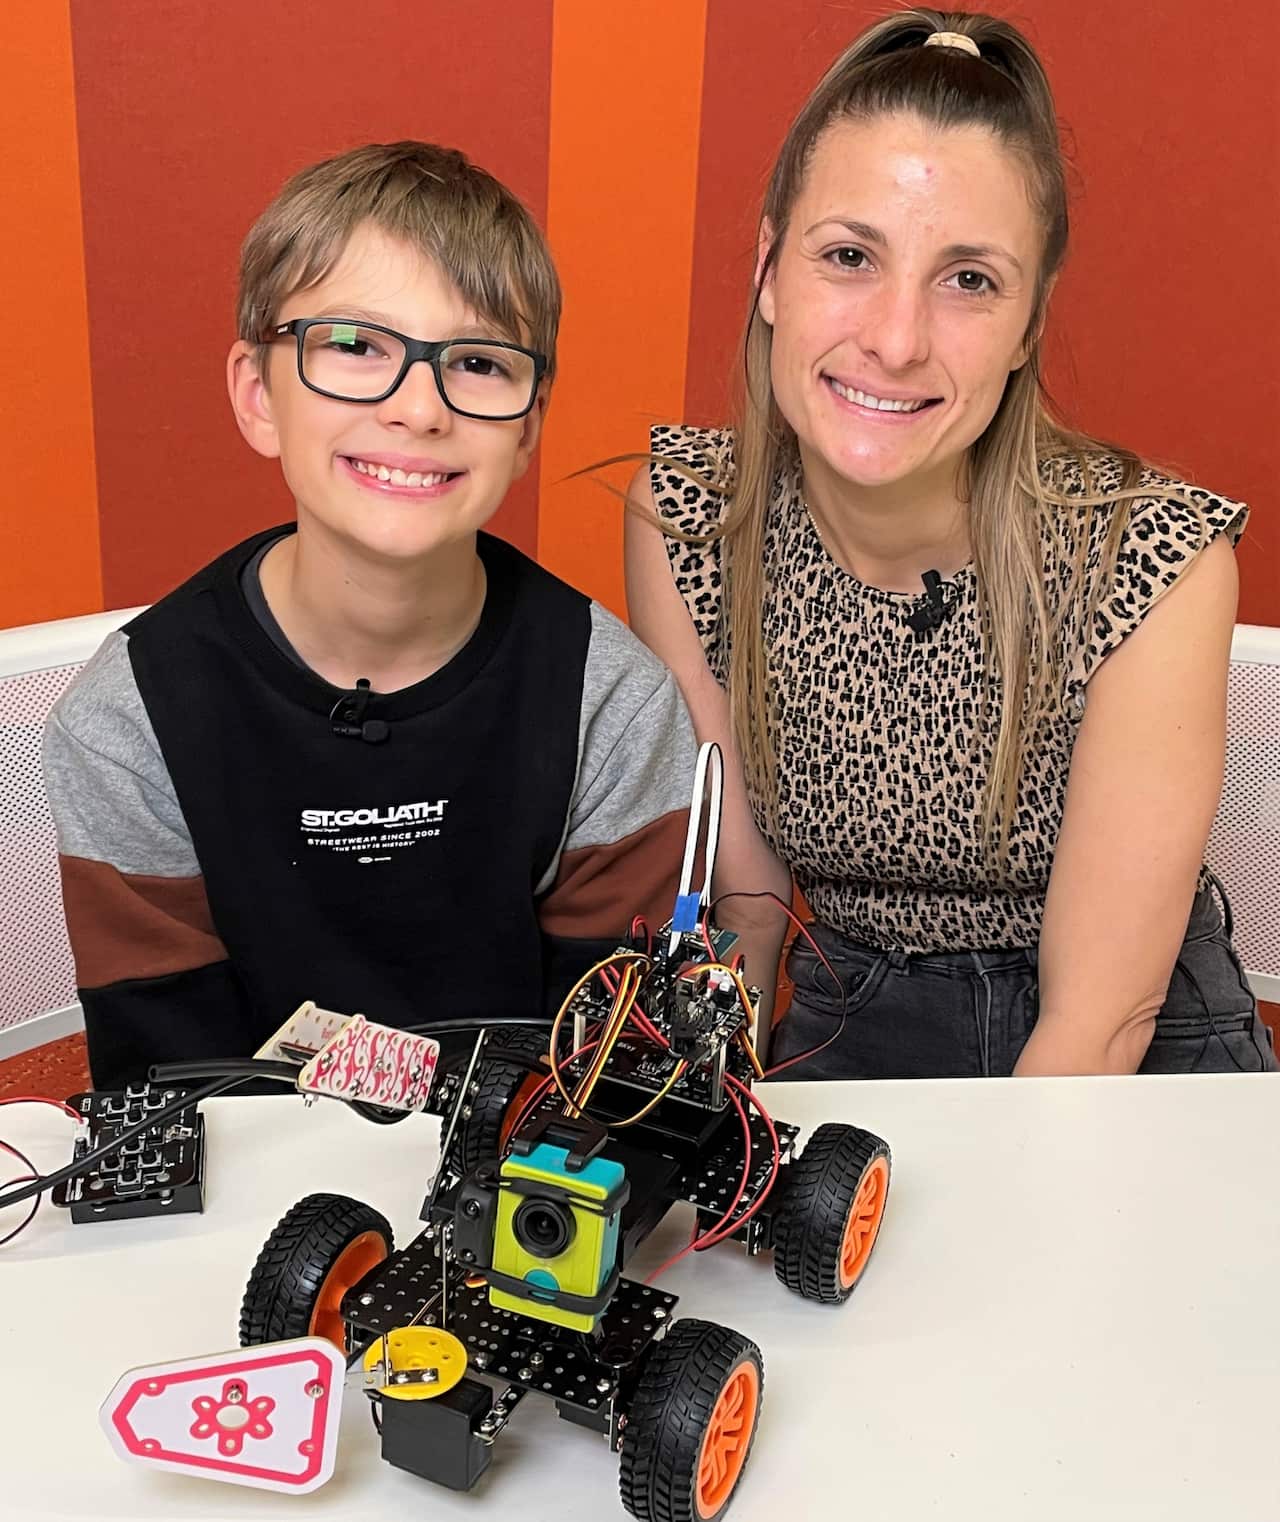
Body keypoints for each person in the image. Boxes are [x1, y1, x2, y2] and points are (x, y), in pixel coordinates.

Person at [624, 10, 1275, 1079]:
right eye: (847, 256)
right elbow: (743, 907)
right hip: (850, 1015)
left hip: (1126, 1044)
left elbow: (1098, 1022)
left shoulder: (1153, 554)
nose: (894, 338)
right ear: (769, 272)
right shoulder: (689, 514)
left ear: (1026, 327)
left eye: (967, 278)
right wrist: (701, 1121)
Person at [44, 141, 696, 1092]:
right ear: (258, 395)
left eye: (476, 362)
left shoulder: (615, 707)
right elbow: (166, 1086)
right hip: (251, 1192)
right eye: (354, 347)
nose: (420, 408)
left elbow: (615, 1068)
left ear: (528, 428)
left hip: (523, 1184)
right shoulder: (128, 720)